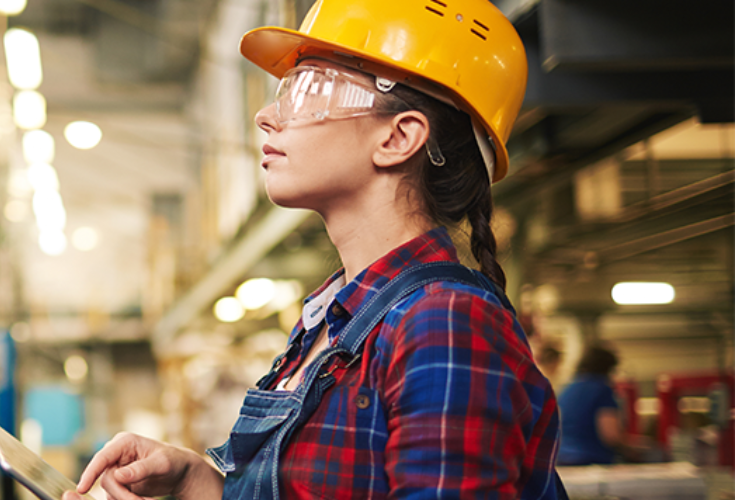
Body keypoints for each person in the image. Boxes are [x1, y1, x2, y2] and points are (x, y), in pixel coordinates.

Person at [65, 0, 567, 498]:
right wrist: (199, 481)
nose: (266, 116)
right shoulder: (331, 320)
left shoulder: (443, 321)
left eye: (309, 90)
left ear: (398, 137)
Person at [557, 346, 623, 465]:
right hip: (591, 460)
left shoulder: (567, 389)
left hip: (562, 459)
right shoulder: (602, 390)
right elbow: (610, 435)